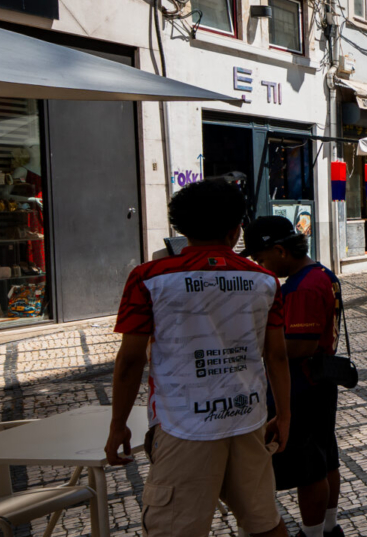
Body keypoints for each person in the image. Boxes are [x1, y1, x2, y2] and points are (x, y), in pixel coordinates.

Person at [105, 179, 290, 537]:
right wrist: (284, 415)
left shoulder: (149, 278)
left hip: (182, 426)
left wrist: (118, 424)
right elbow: (277, 356)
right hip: (247, 417)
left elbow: (130, 361)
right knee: (265, 523)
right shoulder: (265, 280)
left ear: (181, 228)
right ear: (237, 229)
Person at [243, 216, 346, 537]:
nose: (262, 265)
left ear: (280, 250)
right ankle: (328, 528)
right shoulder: (322, 274)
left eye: (261, 258)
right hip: (321, 381)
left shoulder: (302, 287)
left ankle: (313, 534)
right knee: (326, 458)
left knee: (309, 468)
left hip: (302, 384)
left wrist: (257, 343)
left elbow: (300, 345)